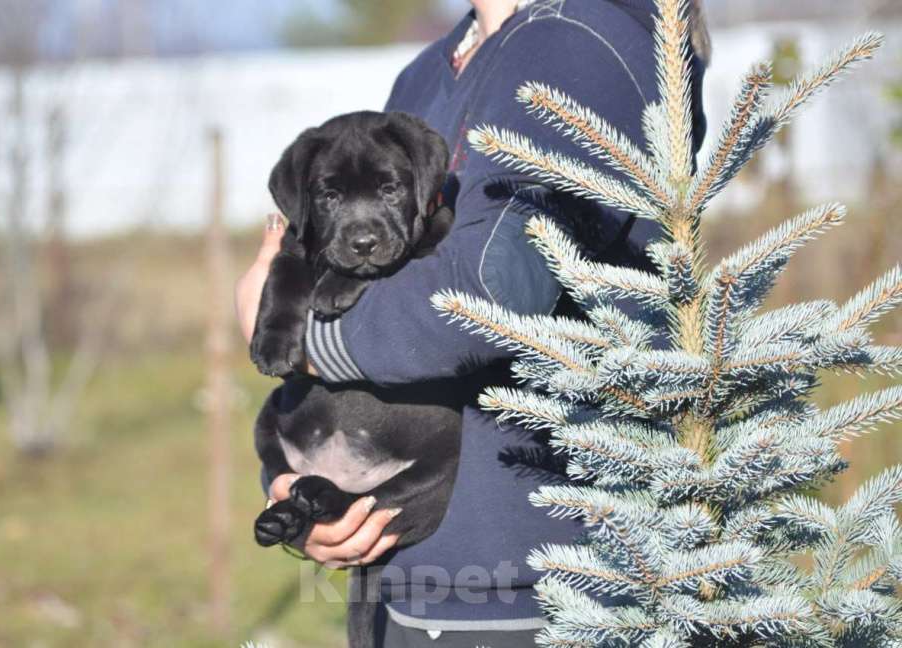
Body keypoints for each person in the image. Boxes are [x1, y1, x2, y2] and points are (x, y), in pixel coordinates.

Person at [236, 0, 709, 645]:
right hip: (408, 576)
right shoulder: (428, 71)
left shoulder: (574, 38)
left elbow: (496, 286)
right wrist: (303, 496)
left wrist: (305, 339)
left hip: (539, 583)